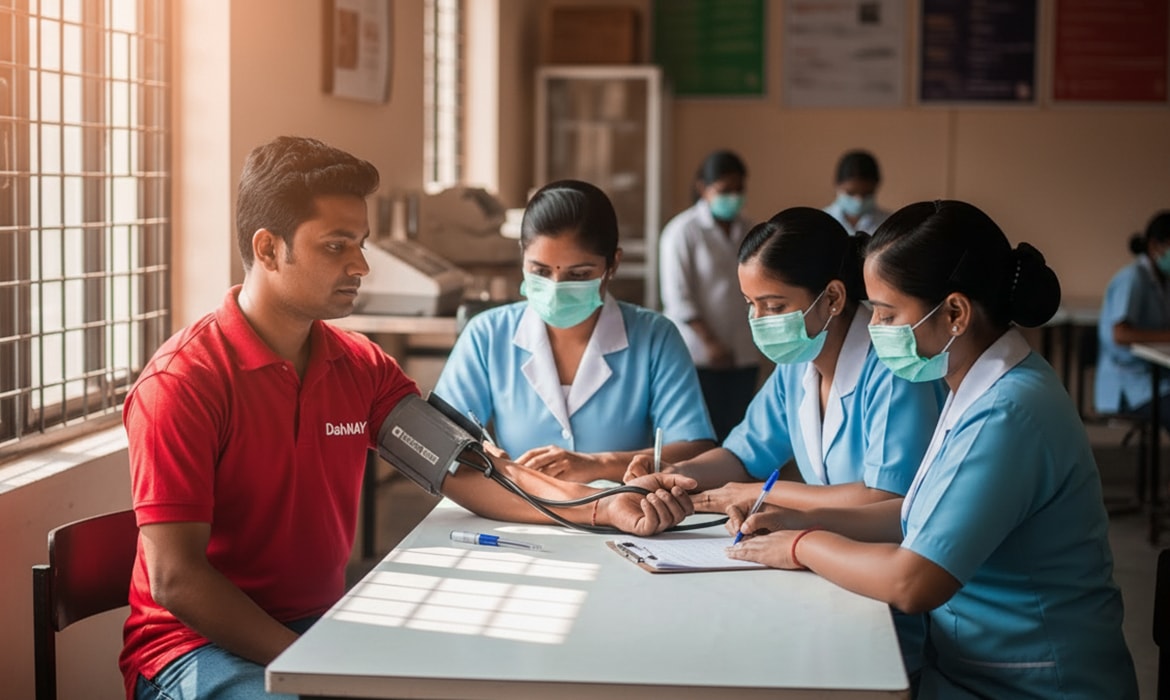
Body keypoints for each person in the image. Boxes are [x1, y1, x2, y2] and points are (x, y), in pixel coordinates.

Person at [120, 137, 697, 700]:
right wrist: (313, 661)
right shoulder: (183, 384)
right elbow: (177, 580)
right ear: (269, 249)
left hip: (318, 621)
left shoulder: (360, 366)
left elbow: (467, 469)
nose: (361, 265)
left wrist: (598, 506)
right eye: (336, 246)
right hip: (194, 648)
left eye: (362, 243)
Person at [727, 200, 1139, 698]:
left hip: (1035, 682)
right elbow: (914, 516)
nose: (873, 329)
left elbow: (912, 582)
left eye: (885, 313)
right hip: (974, 669)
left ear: (955, 313)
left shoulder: (1007, 411)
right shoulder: (974, 385)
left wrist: (800, 546)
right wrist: (796, 521)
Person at [629, 207, 945, 677]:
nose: (759, 320)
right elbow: (741, 455)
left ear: (833, 298)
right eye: (750, 304)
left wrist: (761, 493)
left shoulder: (894, 371)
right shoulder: (799, 364)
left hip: (880, 596)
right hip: (821, 577)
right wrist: (676, 477)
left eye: (774, 306)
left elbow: (888, 501)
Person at [434, 179, 715, 484]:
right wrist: (484, 457)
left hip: (624, 517)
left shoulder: (655, 338)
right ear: (522, 257)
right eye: (540, 271)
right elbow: (438, 439)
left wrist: (598, 465)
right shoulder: (487, 335)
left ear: (613, 264)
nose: (556, 289)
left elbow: (695, 451)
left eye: (578, 274)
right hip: (515, 515)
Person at [659, 150, 760, 441]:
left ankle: (736, 487)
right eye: (725, 190)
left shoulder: (750, 229)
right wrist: (712, 343)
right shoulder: (682, 231)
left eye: (739, 189)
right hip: (699, 355)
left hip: (744, 351)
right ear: (703, 188)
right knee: (701, 435)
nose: (733, 197)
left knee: (739, 432)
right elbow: (678, 297)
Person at [1096, 210, 1170, 431]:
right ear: (1155, 246)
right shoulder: (1132, 279)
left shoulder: (1163, 281)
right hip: (1131, 387)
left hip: (1157, 379)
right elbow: (1120, 334)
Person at [823, 149, 891, 236]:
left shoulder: (888, 223)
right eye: (850, 193)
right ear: (837, 185)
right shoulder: (821, 222)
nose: (859, 200)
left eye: (867, 193)